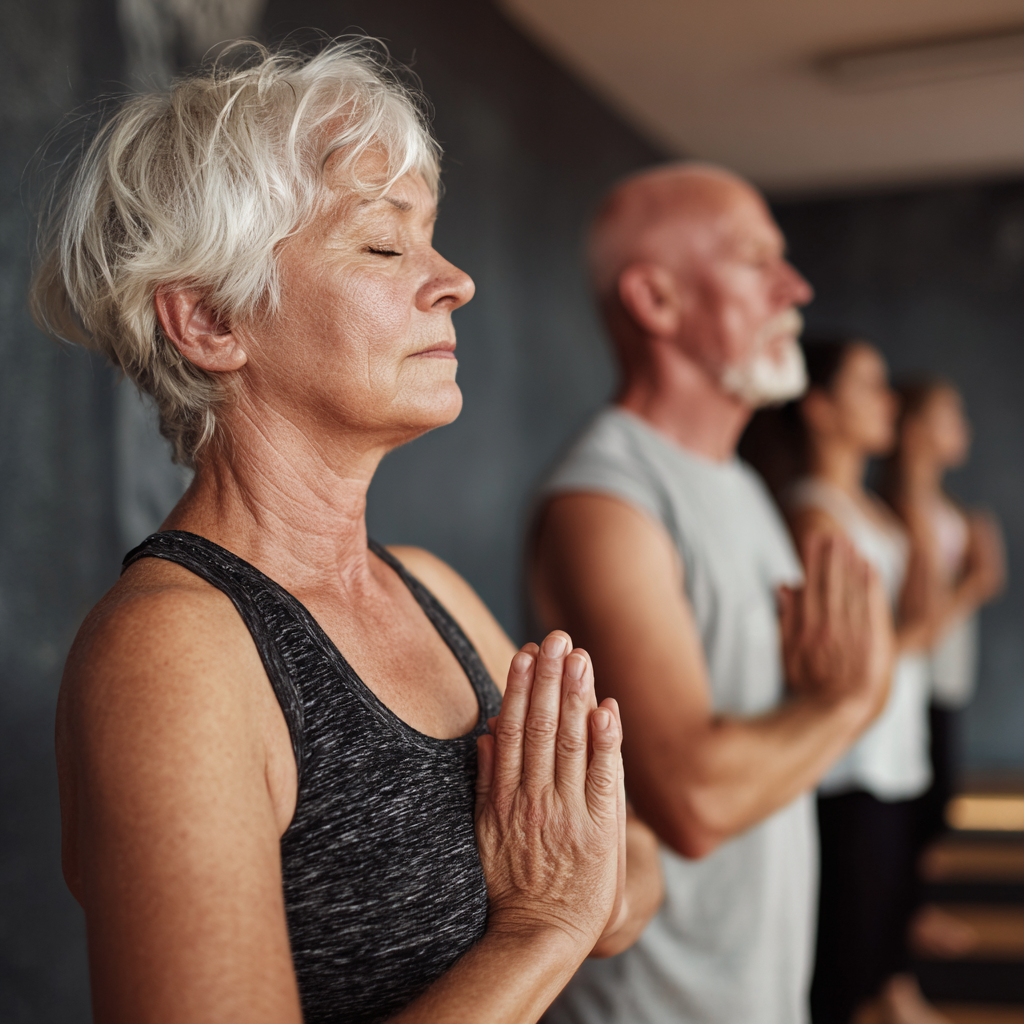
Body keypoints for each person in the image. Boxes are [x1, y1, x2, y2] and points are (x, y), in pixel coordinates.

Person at [32, 41, 663, 1024]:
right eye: (383, 243)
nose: (453, 279)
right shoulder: (174, 654)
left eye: (433, 237)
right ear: (206, 320)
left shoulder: (430, 588)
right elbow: (589, 897)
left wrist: (579, 894)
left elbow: (634, 881)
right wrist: (540, 925)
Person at [531, 163, 893, 1024]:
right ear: (656, 302)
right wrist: (848, 704)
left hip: (759, 988)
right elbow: (693, 801)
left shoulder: (738, 485)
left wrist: (816, 701)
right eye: (753, 259)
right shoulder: (605, 501)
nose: (794, 287)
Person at [777, 338, 955, 1024]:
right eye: (869, 386)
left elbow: (917, 619)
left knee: (878, 914)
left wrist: (914, 475)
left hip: (890, 735)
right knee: (842, 946)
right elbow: (869, 647)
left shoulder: (867, 508)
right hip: (850, 757)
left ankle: (891, 996)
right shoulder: (816, 513)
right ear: (820, 409)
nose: (888, 403)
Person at [882, 378, 1006, 960]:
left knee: (933, 804)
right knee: (918, 810)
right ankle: (902, 920)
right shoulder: (904, 512)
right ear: (914, 431)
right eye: (949, 414)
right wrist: (976, 585)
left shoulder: (944, 508)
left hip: (944, 677)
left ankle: (911, 910)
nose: (963, 427)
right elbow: (923, 620)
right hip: (917, 684)